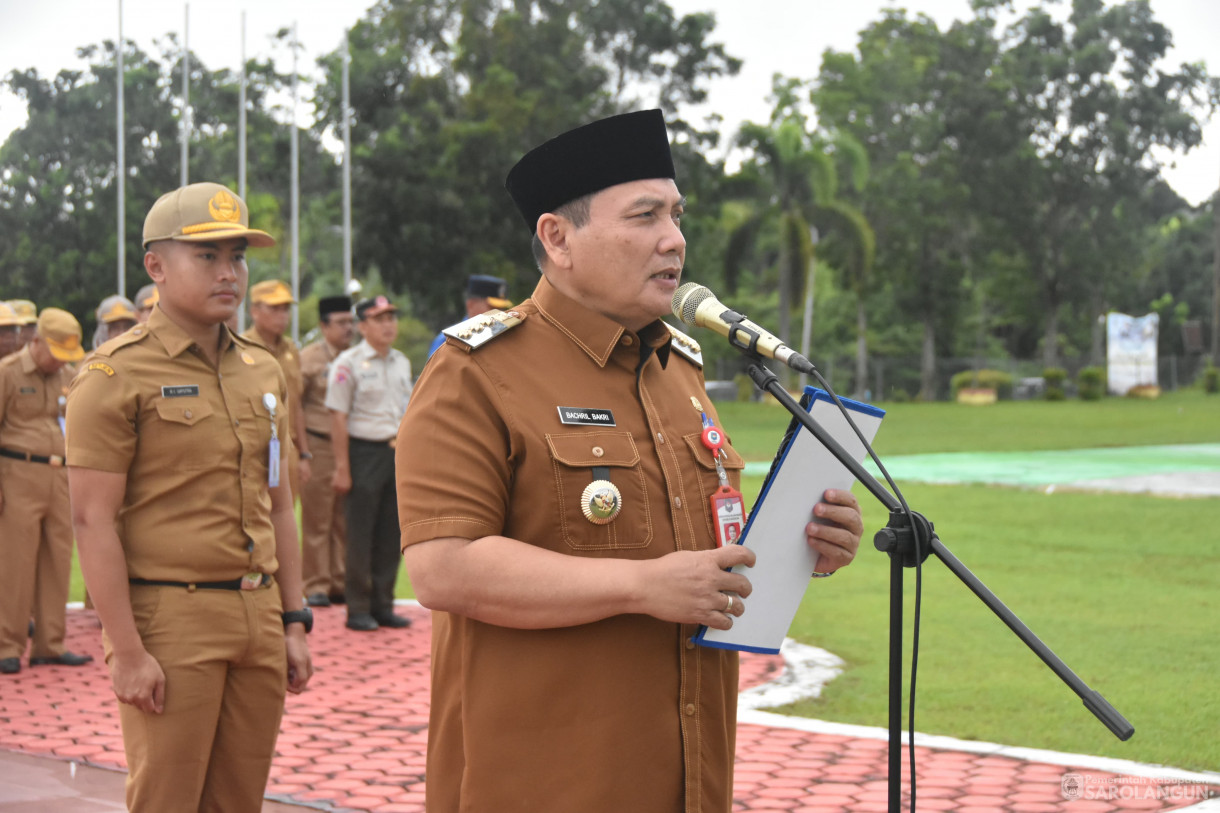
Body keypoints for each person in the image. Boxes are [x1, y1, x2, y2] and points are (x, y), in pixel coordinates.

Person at [394, 109, 864, 813]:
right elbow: (442, 566)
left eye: (675, 215)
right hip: (543, 780)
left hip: (684, 772)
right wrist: (639, 585)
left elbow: (704, 547)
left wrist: (804, 545)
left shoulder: (680, 368)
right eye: (643, 216)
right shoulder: (475, 370)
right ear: (557, 238)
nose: (673, 239)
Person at [66, 181, 313, 811]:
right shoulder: (113, 375)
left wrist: (293, 620)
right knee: (168, 799)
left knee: (239, 800)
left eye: (236, 256)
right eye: (207, 256)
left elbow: (279, 502)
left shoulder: (263, 368)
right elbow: (92, 521)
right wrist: (125, 650)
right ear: (156, 266)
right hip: (171, 617)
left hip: (257, 615)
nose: (228, 273)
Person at [0, 308, 93, 676]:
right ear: (35, 341)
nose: (60, 362)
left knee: (58, 559)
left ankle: (49, 644)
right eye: (55, 352)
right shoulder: (7, 373)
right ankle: (8, 645)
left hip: (60, 474)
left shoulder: (69, 376)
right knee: (15, 563)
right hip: (17, 472)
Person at [326, 295, 413, 631]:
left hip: (395, 452)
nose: (388, 324)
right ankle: (358, 607)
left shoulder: (402, 362)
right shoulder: (347, 364)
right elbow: (338, 417)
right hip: (363, 452)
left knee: (392, 532)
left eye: (391, 317)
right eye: (379, 319)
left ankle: (383, 603)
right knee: (360, 534)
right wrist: (342, 467)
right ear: (362, 326)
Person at [298, 295, 354, 607]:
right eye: (341, 322)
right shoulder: (308, 359)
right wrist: (302, 451)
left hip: (348, 444)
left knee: (344, 518)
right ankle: (316, 584)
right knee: (317, 519)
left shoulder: (359, 357)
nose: (349, 328)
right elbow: (294, 404)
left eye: (351, 321)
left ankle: (339, 581)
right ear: (323, 326)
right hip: (317, 442)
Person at [243, 280, 310, 500]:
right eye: (274, 309)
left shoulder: (291, 349)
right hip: (253, 447)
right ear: (254, 311)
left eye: (285, 309)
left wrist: (304, 454)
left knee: (286, 512)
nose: (282, 316)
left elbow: (296, 404)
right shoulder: (240, 348)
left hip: (286, 446)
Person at [426, 274, 512, 358]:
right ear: (471, 305)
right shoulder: (448, 340)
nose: (498, 312)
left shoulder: (505, 336)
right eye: (492, 307)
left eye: (501, 308)